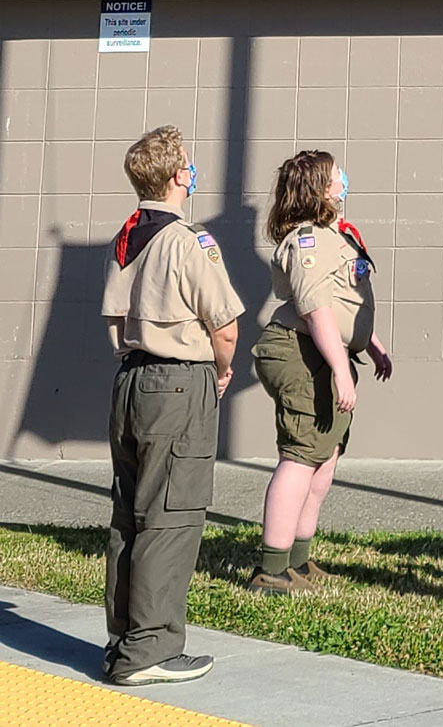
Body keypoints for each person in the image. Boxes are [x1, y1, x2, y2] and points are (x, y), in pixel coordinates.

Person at [101, 125, 242, 686]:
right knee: (170, 515)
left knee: (127, 515)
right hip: (177, 381)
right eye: (188, 162)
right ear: (179, 176)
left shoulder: (126, 237)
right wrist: (223, 369)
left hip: (129, 379)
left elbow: (113, 319)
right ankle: (152, 648)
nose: (193, 169)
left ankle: (123, 639)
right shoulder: (189, 241)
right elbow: (225, 326)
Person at [249, 151, 392, 594]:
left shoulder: (336, 236)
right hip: (299, 350)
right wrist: (341, 370)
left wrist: (370, 344)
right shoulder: (307, 240)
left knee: (323, 458)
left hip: (324, 350)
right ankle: (270, 570)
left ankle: (298, 561)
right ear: (318, 189)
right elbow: (315, 308)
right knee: (300, 456)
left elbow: (344, 302)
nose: (342, 180)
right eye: (334, 175)